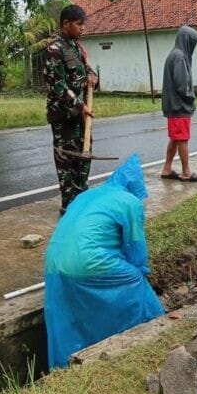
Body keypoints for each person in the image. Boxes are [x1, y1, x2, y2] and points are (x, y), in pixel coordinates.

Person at [44, 154, 165, 368]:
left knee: (72, 312)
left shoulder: (86, 195)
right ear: (134, 187)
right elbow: (136, 249)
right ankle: (154, 326)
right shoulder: (129, 202)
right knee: (135, 279)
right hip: (88, 261)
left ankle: (65, 366)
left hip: (53, 262)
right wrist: (141, 268)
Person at [43, 4, 99, 216]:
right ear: (65, 23)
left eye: (84, 24)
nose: (82, 28)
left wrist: (93, 75)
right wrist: (79, 105)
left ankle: (81, 197)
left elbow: (87, 70)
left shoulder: (78, 48)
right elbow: (57, 86)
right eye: (78, 24)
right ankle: (69, 206)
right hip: (64, 116)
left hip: (82, 116)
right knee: (66, 159)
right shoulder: (54, 50)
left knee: (84, 155)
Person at [160, 25, 197, 182]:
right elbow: (181, 85)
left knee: (175, 138)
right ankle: (186, 172)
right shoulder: (179, 57)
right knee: (183, 139)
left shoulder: (175, 54)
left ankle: (167, 168)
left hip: (174, 106)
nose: (193, 46)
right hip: (179, 106)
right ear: (186, 41)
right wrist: (191, 98)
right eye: (193, 42)